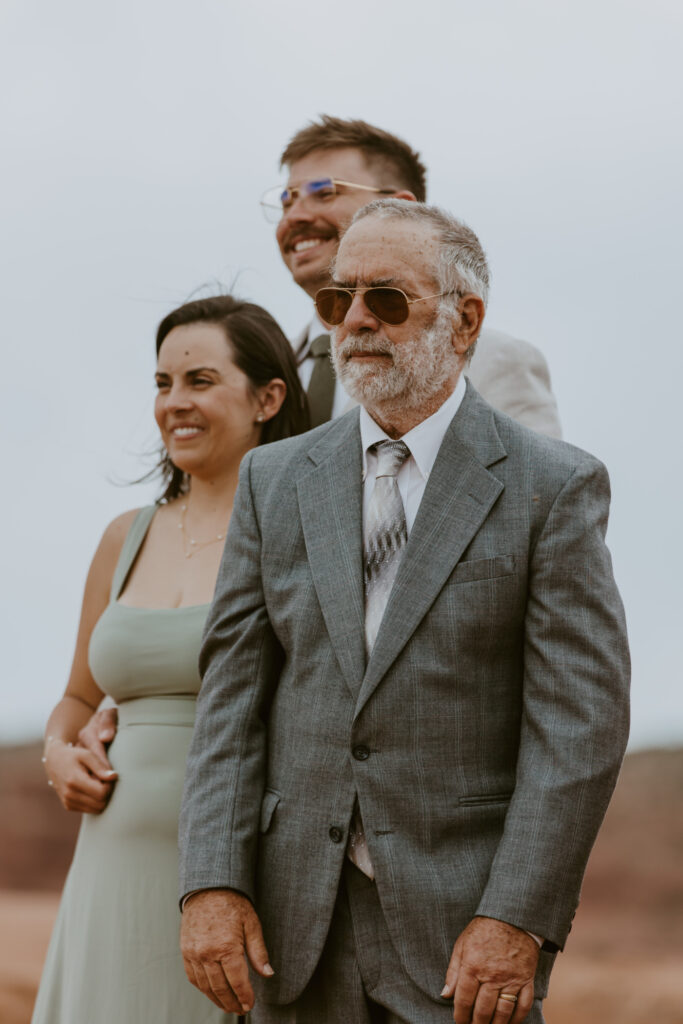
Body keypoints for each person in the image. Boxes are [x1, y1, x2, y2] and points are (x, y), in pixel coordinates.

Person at [177, 201, 629, 1024]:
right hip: (290, 933)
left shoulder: (552, 486)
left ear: (464, 321)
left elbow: (579, 724)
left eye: (385, 299)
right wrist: (211, 881)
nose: (353, 322)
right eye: (335, 300)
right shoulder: (272, 482)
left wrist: (517, 916)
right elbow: (231, 701)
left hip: (466, 940)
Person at [32, 295, 309, 1024]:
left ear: (267, 397)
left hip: (234, 877)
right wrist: (59, 753)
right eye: (162, 384)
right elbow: (78, 699)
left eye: (199, 381)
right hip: (109, 867)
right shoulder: (123, 535)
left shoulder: (300, 538)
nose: (174, 403)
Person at [262, 115, 562, 437]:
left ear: (399, 208)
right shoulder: (259, 375)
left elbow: (534, 479)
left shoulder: (497, 362)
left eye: (324, 193)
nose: (295, 216)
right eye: (286, 201)